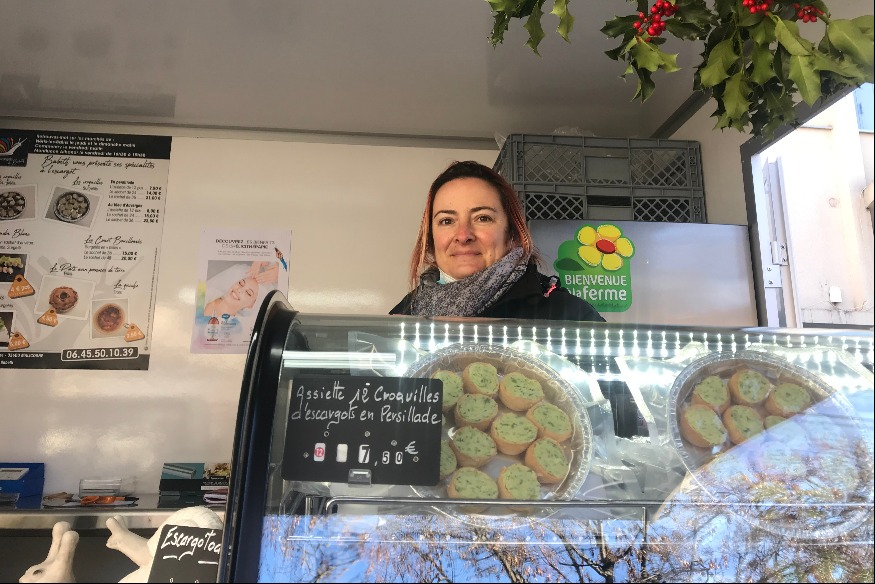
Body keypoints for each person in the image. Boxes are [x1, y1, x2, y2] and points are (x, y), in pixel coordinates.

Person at [390, 160, 604, 322]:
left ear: (512, 234)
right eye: (447, 221)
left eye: (483, 218)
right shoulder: (402, 317)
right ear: (430, 238)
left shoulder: (570, 316)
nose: (463, 235)